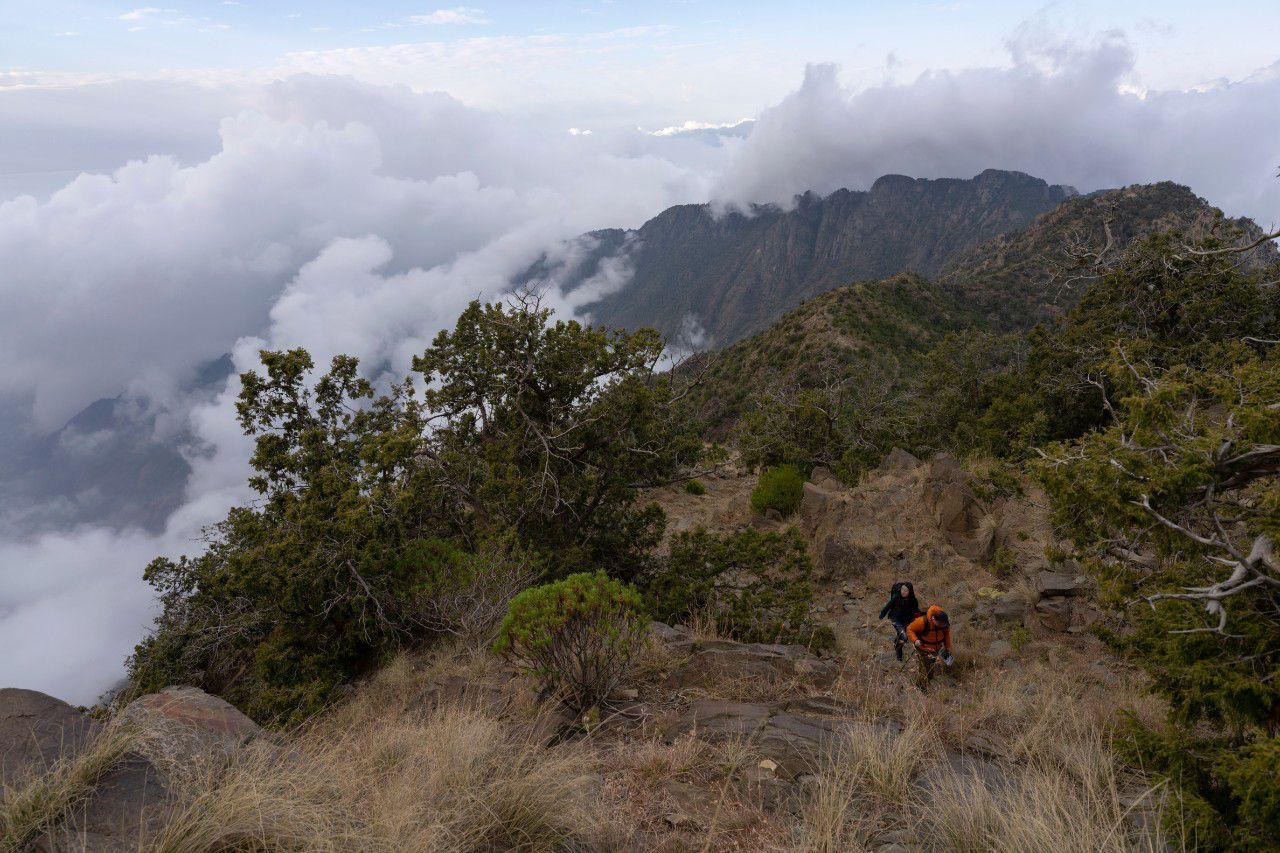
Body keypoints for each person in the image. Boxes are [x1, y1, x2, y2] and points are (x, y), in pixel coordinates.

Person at [878, 581, 922, 661]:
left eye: (905, 590)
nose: (903, 592)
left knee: (902, 636)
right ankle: (899, 653)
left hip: (906, 620)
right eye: (902, 589)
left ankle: (897, 643)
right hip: (896, 619)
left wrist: (922, 616)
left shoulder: (913, 600)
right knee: (904, 637)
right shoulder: (896, 597)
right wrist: (882, 615)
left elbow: (916, 611)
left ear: (910, 591)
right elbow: (888, 606)